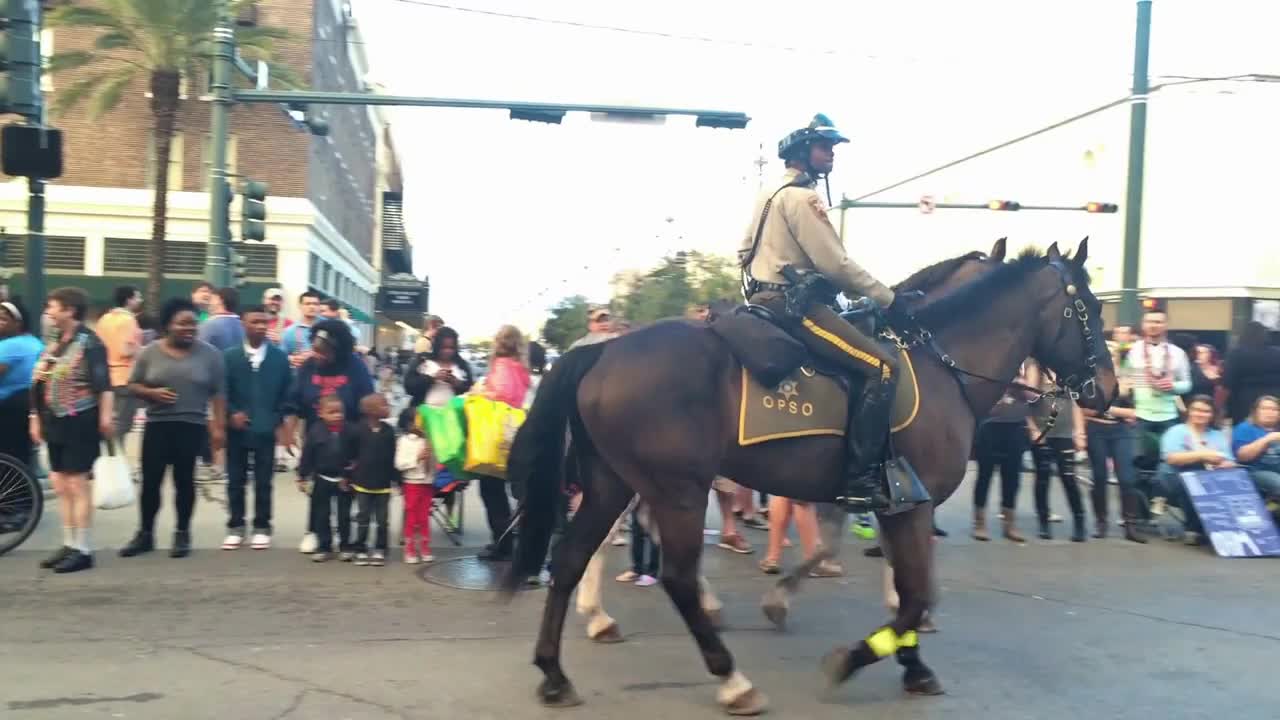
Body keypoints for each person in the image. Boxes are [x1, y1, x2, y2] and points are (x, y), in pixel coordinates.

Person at [737, 113, 919, 513]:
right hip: (795, 308)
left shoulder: (769, 194)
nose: (832, 155)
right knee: (884, 367)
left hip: (762, 300)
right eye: (825, 148)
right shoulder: (803, 198)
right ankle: (859, 481)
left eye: (832, 148)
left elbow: (742, 251)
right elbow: (837, 265)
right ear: (804, 152)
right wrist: (889, 298)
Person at [120, 298, 226, 559]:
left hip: (192, 426)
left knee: (184, 483)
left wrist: (218, 429)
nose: (189, 328)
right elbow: (132, 385)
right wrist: (152, 393)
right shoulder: (149, 352)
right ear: (168, 325)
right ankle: (145, 534)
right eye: (182, 323)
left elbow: (219, 394)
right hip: (158, 425)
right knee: (151, 483)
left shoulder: (210, 354)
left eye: (193, 323)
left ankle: (182, 533)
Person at [31, 287, 114, 573]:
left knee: (77, 483)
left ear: (69, 310)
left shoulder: (90, 344)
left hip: (81, 421)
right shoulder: (54, 341)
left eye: (53, 306)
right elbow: (39, 382)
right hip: (54, 420)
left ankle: (83, 548)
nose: (49, 312)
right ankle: (69, 543)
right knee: (60, 483)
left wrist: (105, 418)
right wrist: (35, 417)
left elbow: (104, 386)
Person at [283, 319, 375, 555]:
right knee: (318, 491)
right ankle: (314, 531)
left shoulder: (355, 366)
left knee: (345, 491)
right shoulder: (308, 367)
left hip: (348, 438)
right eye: (316, 350)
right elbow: (294, 400)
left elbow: (367, 402)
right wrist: (288, 431)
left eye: (324, 352)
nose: (319, 356)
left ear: (339, 350)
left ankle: (345, 536)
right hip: (317, 437)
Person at [221, 304, 294, 551]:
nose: (261, 326)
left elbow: (288, 392)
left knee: (264, 480)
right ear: (243, 323)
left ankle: (262, 526)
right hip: (236, 430)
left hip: (265, 428)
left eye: (264, 322)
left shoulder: (278, 358)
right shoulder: (229, 357)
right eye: (255, 321)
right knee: (235, 480)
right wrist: (231, 414)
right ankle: (236, 526)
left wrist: (278, 419)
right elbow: (221, 391)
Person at [1126, 306, 1192, 509]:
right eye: (1150, 321)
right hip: (1140, 414)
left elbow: (1187, 384)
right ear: (1143, 325)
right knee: (1137, 465)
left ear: (1166, 325)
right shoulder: (1131, 351)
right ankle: (1139, 513)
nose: (1154, 326)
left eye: (1158, 322)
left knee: (1168, 463)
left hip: (1168, 416)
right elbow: (1124, 379)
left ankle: (1159, 498)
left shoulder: (1178, 353)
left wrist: (1173, 386)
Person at [476, 325, 531, 562]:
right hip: (516, 435)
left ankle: (503, 544)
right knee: (516, 493)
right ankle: (516, 541)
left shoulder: (501, 367)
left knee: (491, 491)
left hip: (495, 438)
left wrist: (478, 393)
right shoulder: (522, 370)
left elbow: (499, 395)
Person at [1083, 341, 1147, 543]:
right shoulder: (1088, 378)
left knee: (1127, 478)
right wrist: (1118, 411)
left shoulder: (1129, 377)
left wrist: (1107, 408)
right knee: (1099, 476)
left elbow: (1137, 410)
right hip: (1096, 429)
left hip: (1121, 431)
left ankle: (1131, 525)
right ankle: (1101, 522)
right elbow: (1086, 409)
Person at [1157, 394, 1234, 545]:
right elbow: (1172, 458)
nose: (1200, 414)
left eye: (1206, 411)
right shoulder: (1176, 431)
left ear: (1212, 415)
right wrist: (1203, 455)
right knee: (1192, 477)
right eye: (1196, 410)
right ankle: (1193, 529)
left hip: (1212, 476)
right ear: (1189, 411)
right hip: (1176, 476)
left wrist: (1225, 464)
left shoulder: (1217, 436)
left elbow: (1230, 461)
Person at [1025, 360, 1088, 542]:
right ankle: (1043, 523)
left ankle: (1079, 522)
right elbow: (1025, 403)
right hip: (1042, 433)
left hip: (1065, 433)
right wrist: (1033, 429)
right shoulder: (1035, 370)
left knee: (1069, 478)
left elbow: (1076, 404)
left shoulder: (1068, 373)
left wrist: (1080, 432)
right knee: (1042, 478)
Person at [972, 363, 1033, 543]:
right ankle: (979, 523)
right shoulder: (989, 366)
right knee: (985, 476)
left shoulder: (1024, 367)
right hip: (990, 426)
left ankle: (1010, 524)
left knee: (1012, 478)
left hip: (1016, 427)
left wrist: (1022, 385)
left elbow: (1034, 397)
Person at [298, 394, 356, 563]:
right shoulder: (315, 431)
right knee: (321, 515)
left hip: (344, 480)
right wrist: (302, 476)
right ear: (321, 413)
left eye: (340, 412)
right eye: (332, 412)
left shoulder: (351, 431)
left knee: (344, 515)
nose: (337, 415)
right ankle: (324, 546)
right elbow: (307, 456)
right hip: (322, 478)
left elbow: (356, 456)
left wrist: (351, 475)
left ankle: (345, 546)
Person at [344, 394, 397, 566]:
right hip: (362, 484)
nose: (388, 407)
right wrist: (347, 476)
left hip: (383, 485)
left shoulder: (389, 431)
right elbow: (350, 456)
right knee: (363, 518)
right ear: (371, 411)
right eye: (384, 405)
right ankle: (360, 548)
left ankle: (380, 548)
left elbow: (392, 457)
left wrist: (397, 480)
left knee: (382, 520)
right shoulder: (358, 430)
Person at [95, 285, 143, 440]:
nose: (140, 300)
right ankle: (116, 461)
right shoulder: (129, 320)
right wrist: (141, 350)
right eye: (137, 297)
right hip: (124, 378)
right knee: (121, 427)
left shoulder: (104, 319)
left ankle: (106, 459)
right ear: (129, 300)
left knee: (107, 423)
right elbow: (126, 350)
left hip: (104, 378)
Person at [0, 299, 43, 466]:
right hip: (29, 406)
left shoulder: (9, 346)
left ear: (18, 323)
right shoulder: (35, 342)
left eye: (3, 319)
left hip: (8, 409)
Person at [395, 407, 436, 564]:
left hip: (427, 482)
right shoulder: (404, 441)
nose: (421, 424)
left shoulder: (429, 439)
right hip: (412, 482)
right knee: (412, 517)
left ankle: (425, 548)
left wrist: (432, 455)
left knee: (424, 517)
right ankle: (410, 549)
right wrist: (416, 459)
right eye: (417, 421)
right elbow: (399, 464)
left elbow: (434, 463)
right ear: (408, 424)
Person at [1222, 322, 1280, 426]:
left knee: (1246, 432)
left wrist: (1222, 407)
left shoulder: (1236, 353)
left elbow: (1227, 382)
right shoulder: (1277, 353)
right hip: (1274, 398)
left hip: (1244, 399)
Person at [403, 326, 473, 408]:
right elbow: (409, 387)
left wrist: (456, 383)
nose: (447, 351)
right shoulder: (423, 360)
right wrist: (432, 378)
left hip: (452, 417)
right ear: (436, 346)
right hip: (424, 415)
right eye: (443, 347)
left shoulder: (462, 365)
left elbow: (471, 391)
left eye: (451, 348)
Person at [1230, 395, 1280, 502]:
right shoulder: (1245, 428)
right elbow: (1242, 456)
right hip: (1254, 471)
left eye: (1274, 409)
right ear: (1255, 411)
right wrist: (1267, 439)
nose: (1270, 412)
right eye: (1265, 408)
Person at [281, 290, 322, 369]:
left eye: (315, 304)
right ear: (300, 306)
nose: (312, 307)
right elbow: (281, 355)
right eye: (307, 304)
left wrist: (313, 356)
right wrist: (291, 359)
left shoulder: (328, 328)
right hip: (302, 376)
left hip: (324, 376)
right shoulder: (289, 332)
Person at [198, 287, 245, 352]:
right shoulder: (245, 326)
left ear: (219, 300)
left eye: (211, 299)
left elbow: (197, 352)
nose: (209, 303)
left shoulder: (207, 326)